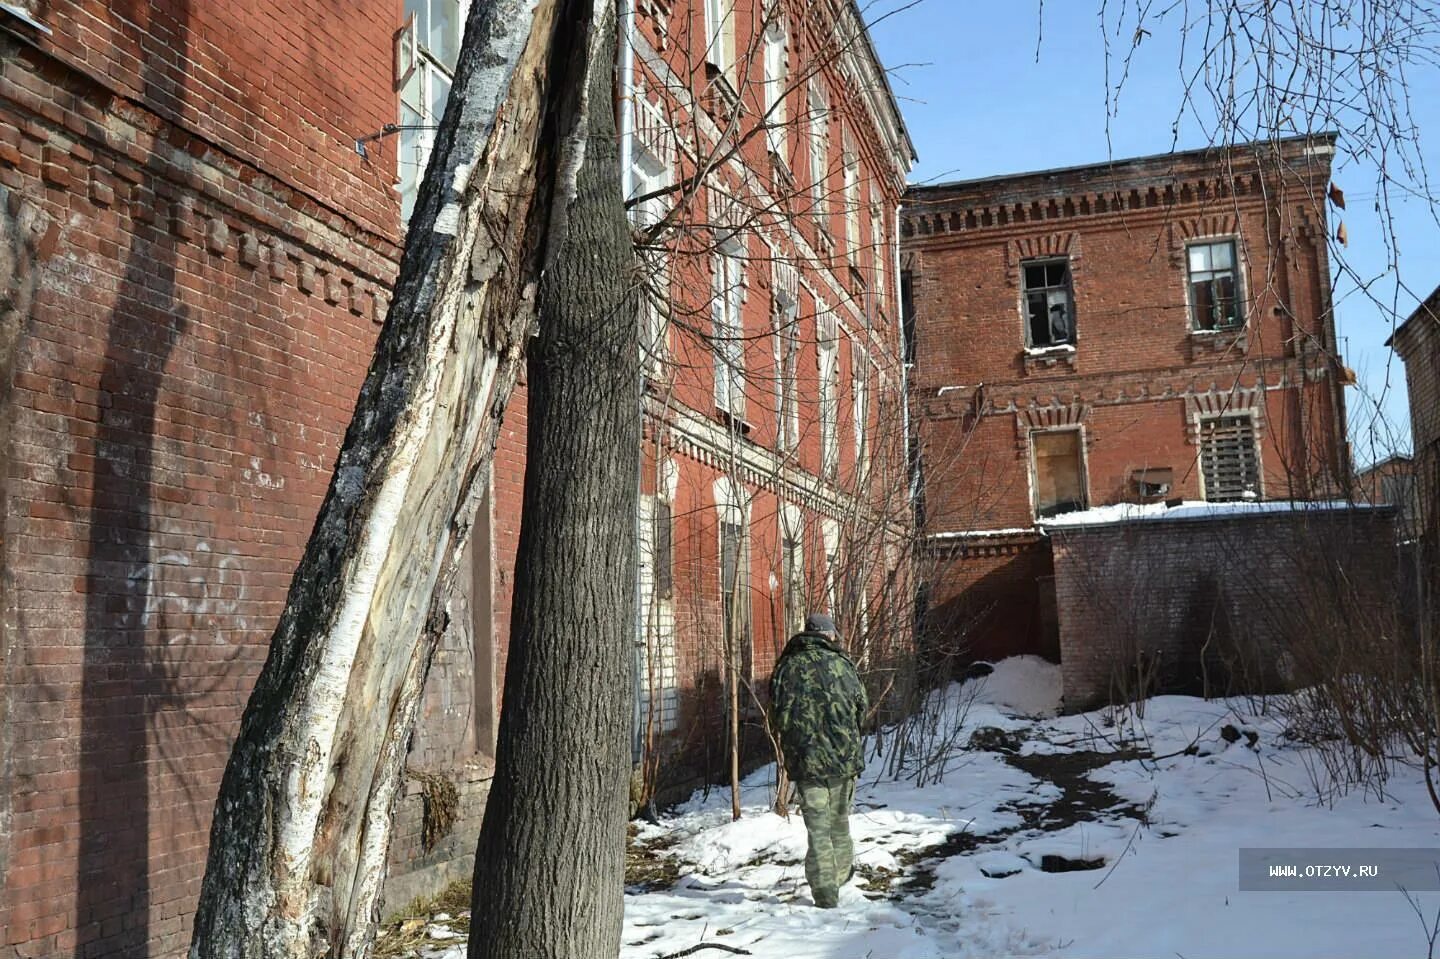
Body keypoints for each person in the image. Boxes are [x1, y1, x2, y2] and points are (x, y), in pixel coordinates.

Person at [770, 612, 869, 908]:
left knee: (818, 829)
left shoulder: (787, 667)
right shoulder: (843, 665)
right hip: (843, 760)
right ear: (829, 635)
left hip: (806, 761)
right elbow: (861, 708)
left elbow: (778, 715)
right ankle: (838, 879)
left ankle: (827, 893)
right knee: (839, 822)